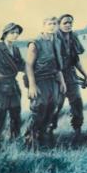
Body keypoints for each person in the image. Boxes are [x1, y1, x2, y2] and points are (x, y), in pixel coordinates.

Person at [25, 16, 67, 149]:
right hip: (39, 80)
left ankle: (42, 138)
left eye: (55, 24)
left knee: (52, 107)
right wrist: (32, 85)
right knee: (39, 108)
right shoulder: (35, 43)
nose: (53, 26)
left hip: (53, 79)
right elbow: (28, 66)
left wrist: (62, 82)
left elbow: (57, 64)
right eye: (50, 24)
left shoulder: (57, 41)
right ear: (44, 26)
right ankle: (29, 141)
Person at [55, 13, 87, 142]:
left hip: (71, 75)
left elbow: (76, 60)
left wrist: (86, 75)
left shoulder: (73, 36)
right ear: (59, 24)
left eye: (70, 22)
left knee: (77, 103)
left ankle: (78, 132)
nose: (68, 25)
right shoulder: (54, 38)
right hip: (56, 77)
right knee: (55, 106)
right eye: (65, 23)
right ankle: (48, 132)